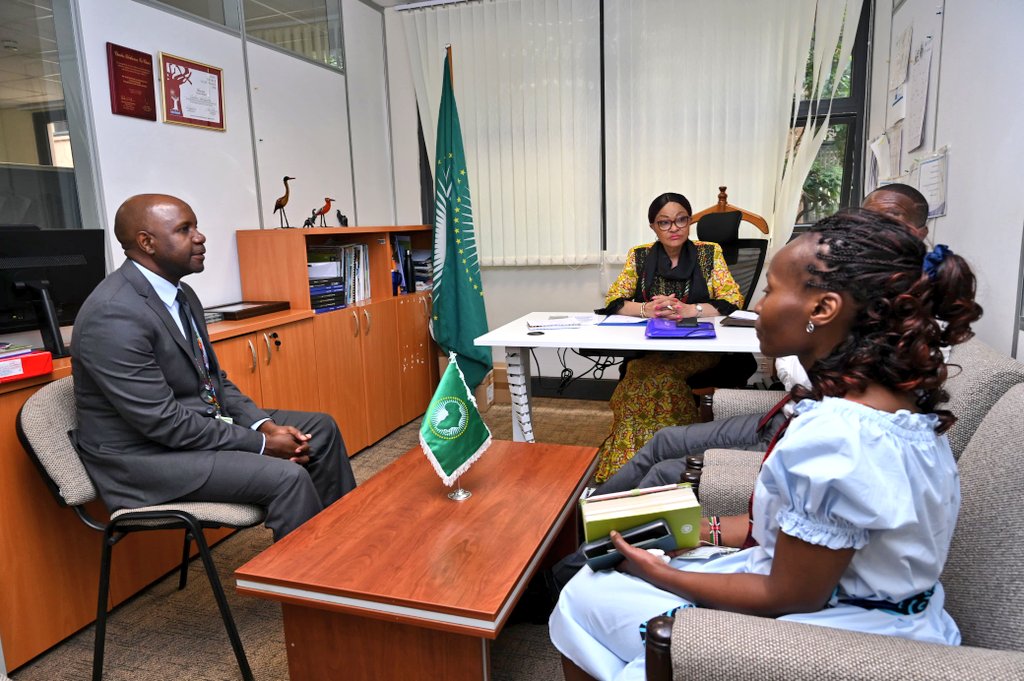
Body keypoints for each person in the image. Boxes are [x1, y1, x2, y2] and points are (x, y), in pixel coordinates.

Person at [549, 209, 981, 681]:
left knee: (584, 593)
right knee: (605, 581)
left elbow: (790, 595)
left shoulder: (838, 437)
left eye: (771, 291)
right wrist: (691, 533)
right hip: (891, 605)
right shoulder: (894, 409)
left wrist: (658, 573)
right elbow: (790, 531)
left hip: (842, 634)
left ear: (822, 309)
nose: (758, 306)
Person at [71, 194, 356, 541]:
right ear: (147, 242)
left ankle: (341, 550)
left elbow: (213, 379)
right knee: (287, 477)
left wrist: (262, 425)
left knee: (320, 429)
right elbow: (163, 423)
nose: (200, 237)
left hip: (190, 429)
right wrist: (261, 444)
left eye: (196, 227)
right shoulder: (113, 315)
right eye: (184, 229)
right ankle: (306, 585)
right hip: (144, 460)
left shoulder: (183, 294)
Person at [594, 192, 744, 482]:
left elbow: (732, 299)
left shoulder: (708, 252)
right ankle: (630, 465)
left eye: (681, 220)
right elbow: (614, 299)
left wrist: (693, 309)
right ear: (653, 226)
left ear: (689, 222)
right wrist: (646, 309)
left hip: (701, 349)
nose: (674, 228)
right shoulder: (639, 255)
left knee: (661, 378)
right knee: (636, 376)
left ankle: (676, 460)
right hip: (651, 349)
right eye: (664, 223)